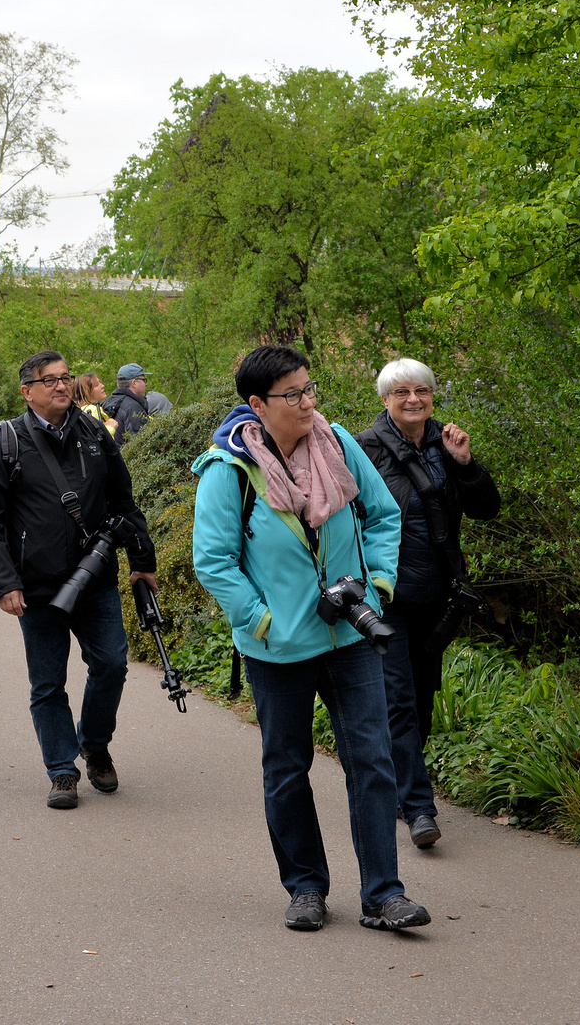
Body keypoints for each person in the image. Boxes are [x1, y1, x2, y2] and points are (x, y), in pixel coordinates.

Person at [191, 344, 431, 932]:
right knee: (287, 767)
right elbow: (214, 560)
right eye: (292, 394)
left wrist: (374, 585)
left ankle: (384, 893)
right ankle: (305, 888)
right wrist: (262, 619)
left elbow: (383, 515)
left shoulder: (338, 443)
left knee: (372, 762)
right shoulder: (228, 471)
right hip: (278, 649)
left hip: (350, 635)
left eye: (309, 388)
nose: (307, 401)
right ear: (257, 404)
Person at [0, 350, 157, 809]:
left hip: (94, 581)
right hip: (35, 588)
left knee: (112, 664)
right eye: (49, 379)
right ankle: (61, 770)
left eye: (65, 377)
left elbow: (124, 501)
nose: (60, 385)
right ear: (27, 390)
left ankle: (93, 742)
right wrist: (4, 581)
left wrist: (143, 557)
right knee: (48, 684)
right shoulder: (6, 442)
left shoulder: (95, 431)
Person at [355, 357, 500, 850]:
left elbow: (486, 509)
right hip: (386, 593)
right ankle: (420, 807)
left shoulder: (446, 443)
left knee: (421, 697)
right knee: (398, 701)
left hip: (438, 597)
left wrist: (465, 464)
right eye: (402, 393)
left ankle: (401, 787)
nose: (413, 400)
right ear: (385, 400)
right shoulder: (363, 448)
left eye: (422, 391)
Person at [101, 363, 153, 438]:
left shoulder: (107, 402)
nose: (146, 384)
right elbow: (141, 442)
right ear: (134, 383)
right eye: (144, 380)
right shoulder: (133, 407)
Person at [74, 371, 118, 436]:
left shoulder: (80, 410)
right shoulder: (92, 410)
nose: (103, 386)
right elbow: (97, 438)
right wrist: (111, 427)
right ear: (88, 391)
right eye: (97, 385)